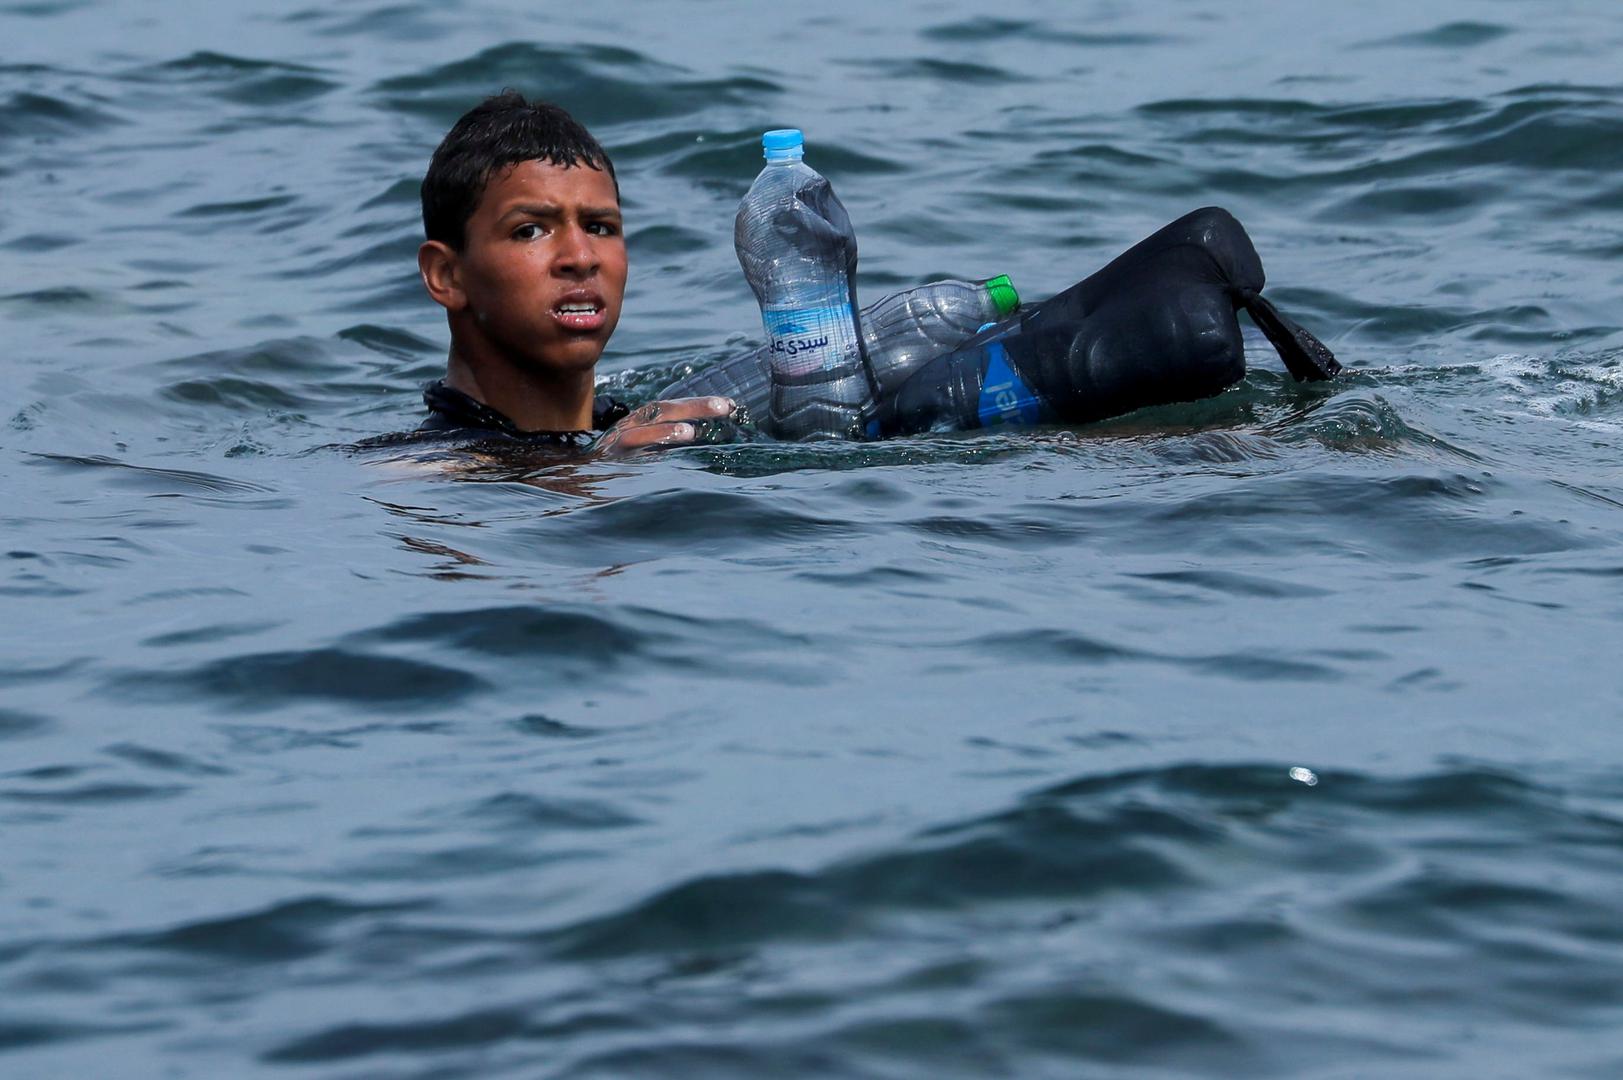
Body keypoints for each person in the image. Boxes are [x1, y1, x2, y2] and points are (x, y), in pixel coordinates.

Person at [413, 90, 733, 453]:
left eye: (598, 227)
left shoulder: (633, 426)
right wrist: (597, 470)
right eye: (530, 230)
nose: (582, 257)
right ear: (446, 275)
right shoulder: (417, 477)